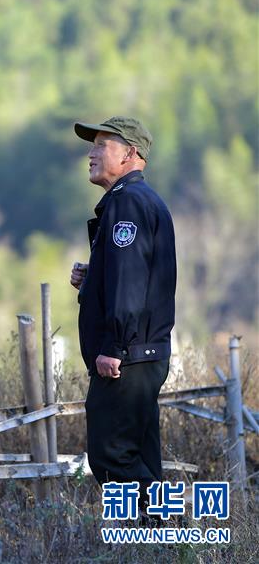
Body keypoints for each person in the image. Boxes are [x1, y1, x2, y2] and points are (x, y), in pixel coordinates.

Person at [69, 116, 176, 514]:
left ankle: (173, 533)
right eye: (91, 145)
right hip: (142, 355)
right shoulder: (136, 200)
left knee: (110, 456)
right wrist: (92, 278)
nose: (91, 153)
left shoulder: (128, 201)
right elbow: (132, 275)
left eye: (102, 145)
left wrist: (113, 345)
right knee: (141, 459)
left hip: (127, 358)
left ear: (131, 154)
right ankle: (156, 548)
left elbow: (130, 281)